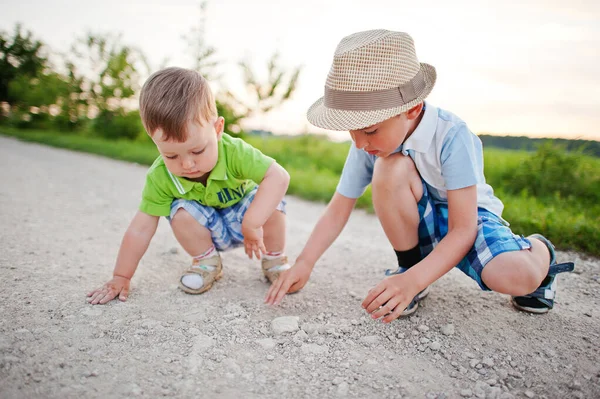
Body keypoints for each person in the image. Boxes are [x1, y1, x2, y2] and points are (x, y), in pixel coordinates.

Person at [265, 29, 574, 321]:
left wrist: (410, 283)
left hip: (467, 217)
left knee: (515, 277)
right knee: (390, 167)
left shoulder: (452, 135)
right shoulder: (368, 146)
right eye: (352, 130)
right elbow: (338, 209)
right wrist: (304, 262)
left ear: (411, 109)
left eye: (370, 129)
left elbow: (463, 229)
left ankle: (540, 251)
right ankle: (410, 266)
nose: (359, 143)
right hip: (420, 216)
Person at [88, 67, 291, 305]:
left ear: (217, 129)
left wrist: (252, 222)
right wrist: (121, 276)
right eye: (171, 156)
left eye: (197, 150)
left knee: (271, 201)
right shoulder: (161, 176)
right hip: (207, 232)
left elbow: (279, 177)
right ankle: (207, 263)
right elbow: (140, 229)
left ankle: (274, 260)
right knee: (180, 212)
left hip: (249, 226)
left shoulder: (234, 151)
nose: (187, 164)